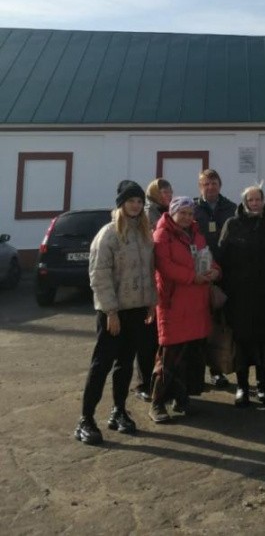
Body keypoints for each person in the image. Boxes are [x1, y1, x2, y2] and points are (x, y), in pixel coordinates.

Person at [74, 180, 156, 445]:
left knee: (125, 364)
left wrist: (151, 302)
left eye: (140, 201)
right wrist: (110, 312)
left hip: (137, 310)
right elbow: (99, 276)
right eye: (131, 201)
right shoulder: (109, 234)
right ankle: (86, 419)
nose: (136, 205)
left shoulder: (144, 233)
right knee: (101, 365)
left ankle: (118, 410)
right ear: (121, 204)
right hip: (114, 313)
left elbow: (149, 272)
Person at [217, 186, 265, 407]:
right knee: (242, 343)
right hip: (240, 297)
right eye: (251, 200)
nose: (255, 203)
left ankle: (263, 387)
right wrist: (223, 290)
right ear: (245, 202)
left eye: (258, 199)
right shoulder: (233, 224)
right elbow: (222, 259)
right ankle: (242, 387)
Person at [150, 196, 221, 423]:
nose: (187, 217)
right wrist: (193, 277)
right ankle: (157, 402)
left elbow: (207, 257)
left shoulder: (196, 235)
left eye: (190, 213)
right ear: (172, 213)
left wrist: (215, 271)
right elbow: (165, 266)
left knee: (189, 355)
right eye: (183, 213)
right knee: (169, 356)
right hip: (174, 303)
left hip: (196, 303)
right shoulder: (162, 235)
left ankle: (182, 398)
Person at [129, 178, 173, 402]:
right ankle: (142, 383)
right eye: (163, 191)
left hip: (163, 280)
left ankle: (159, 380)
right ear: (154, 193)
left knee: (161, 337)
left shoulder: (168, 212)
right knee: (147, 337)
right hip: (148, 281)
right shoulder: (149, 213)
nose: (167, 194)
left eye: (169, 191)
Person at [193, 168, 236, 388]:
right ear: (200, 187)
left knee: (221, 325)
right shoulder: (192, 209)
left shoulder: (231, 208)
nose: (210, 187)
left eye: (214, 183)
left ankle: (218, 370)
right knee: (200, 325)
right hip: (200, 276)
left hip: (226, 274)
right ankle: (197, 372)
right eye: (206, 184)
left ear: (220, 185)